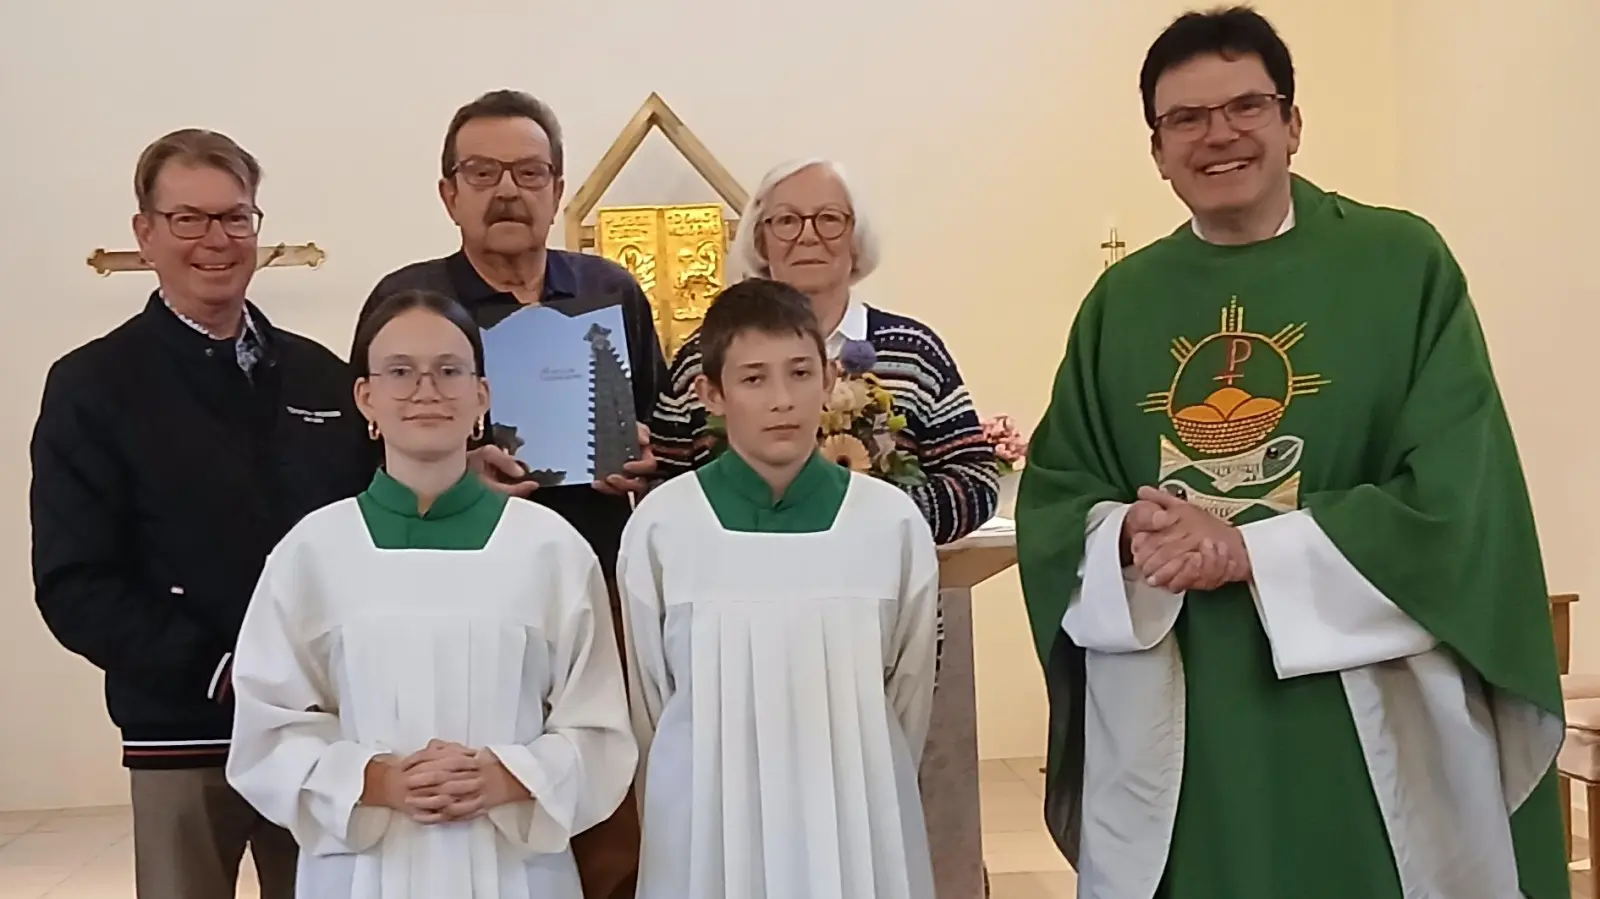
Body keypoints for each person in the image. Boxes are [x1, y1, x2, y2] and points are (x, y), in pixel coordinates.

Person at [1016, 6, 1567, 899]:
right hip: (1179, 702)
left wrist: (1242, 548)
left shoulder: (1401, 263)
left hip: (1367, 696)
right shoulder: (1120, 303)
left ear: (1293, 123)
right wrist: (1126, 533)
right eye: (1184, 119)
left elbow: (1457, 495)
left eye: (1246, 106)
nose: (1217, 135)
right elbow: (1056, 494)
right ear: (1156, 149)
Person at [28, 128, 373, 899]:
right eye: (189, 219)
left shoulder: (322, 376)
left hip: (321, 729)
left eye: (235, 217)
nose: (215, 240)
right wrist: (217, 672)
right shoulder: (93, 385)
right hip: (181, 732)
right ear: (145, 234)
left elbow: (367, 529)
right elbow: (73, 581)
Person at [226, 289, 637, 899]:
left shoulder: (550, 550)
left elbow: (599, 730)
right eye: (400, 372)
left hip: (512, 869)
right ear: (366, 398)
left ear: (482, 396)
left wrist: (509, 776)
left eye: (449, 371)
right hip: (365, 871)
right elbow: (268, 731)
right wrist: (378, 781)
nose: (426, 390)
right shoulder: (312, 554)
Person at [356, 89, 663, 897]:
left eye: (529, 171)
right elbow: (368, 447)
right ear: (448, 191)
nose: (508, 190)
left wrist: (644, 460)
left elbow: (663, 428)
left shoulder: (610, 290)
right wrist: (461, 468)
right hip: (455, 591)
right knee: (473, 792)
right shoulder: (411, 300)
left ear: (559, 188)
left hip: (596, 581)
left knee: (600, 796)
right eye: (482, 170)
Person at [620, 278, 940, 898]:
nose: (781, 400)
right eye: (753, 379)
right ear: (711, 393)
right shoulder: (663, 527)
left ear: (828, 379)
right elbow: (651, 704)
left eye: (799, 373)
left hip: (856, 813)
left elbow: (906, 696)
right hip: (708, 824)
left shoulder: (887, 524)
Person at [652, 158, 997, 545]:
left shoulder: (915, 351)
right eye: (786, 221)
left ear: (856, 237)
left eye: (829, 219)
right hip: (732, 585)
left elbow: (977, 479)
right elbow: (663, 483)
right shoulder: (701, 357)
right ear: (760, 240)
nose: (808, 236)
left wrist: (872, 517)